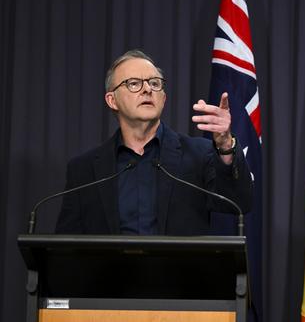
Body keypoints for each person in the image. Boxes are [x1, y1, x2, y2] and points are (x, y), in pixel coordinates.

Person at [56, 49, 252, 235]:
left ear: (163, 99)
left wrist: (226, 145)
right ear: (111, 100)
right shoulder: (84, 170)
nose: (147, 89)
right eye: (133, 83)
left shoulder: (199, 154)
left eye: (155, 83)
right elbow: (65, 247)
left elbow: (239, 202)